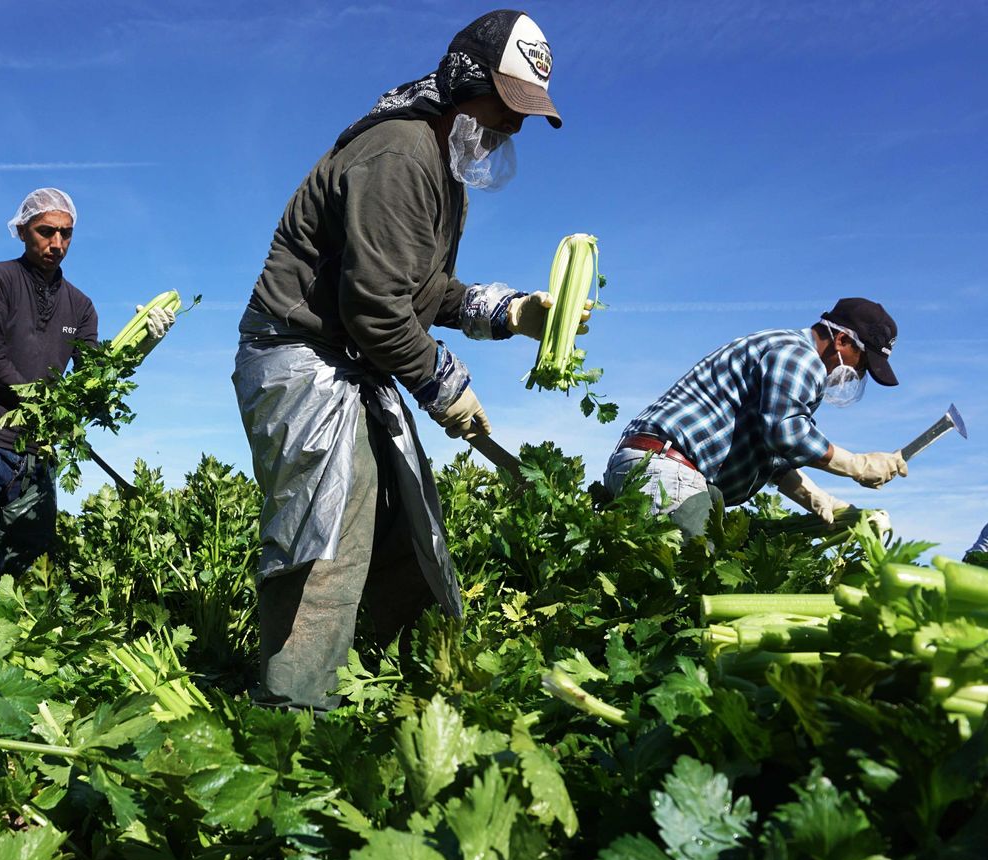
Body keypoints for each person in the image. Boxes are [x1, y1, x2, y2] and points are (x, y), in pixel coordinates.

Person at [233, 9, 572, 712]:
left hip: (350, 359)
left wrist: (507, 313)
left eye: (524, 117)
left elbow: (424, 291)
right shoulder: (400, 152)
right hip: (302, 355)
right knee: (329, 533)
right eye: (506, 107)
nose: (511, 129)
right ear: (464, 80)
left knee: (406, 519)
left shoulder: (442, 172)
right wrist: (447, 388)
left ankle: (377, 684)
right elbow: (378, 310)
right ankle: (291, 717)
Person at [0, 187, 175, 598]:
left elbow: (94, 378)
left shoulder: (80, 306)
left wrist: (144, 343)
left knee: (31, 543)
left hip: (38, 445)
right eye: (46, 231)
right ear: (23, 231)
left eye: (66, 234)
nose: (57, 244)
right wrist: (45, 402)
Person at [603, 297, 906, 536]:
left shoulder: (780, 349)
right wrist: (857, 465)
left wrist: (821, 500)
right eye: (862, 362)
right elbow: (788, 434)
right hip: (669, 472)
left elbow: (773, 454)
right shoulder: (800, 357)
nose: (857, 374)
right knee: (694, 583)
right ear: (841, 340)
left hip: (649, 465)